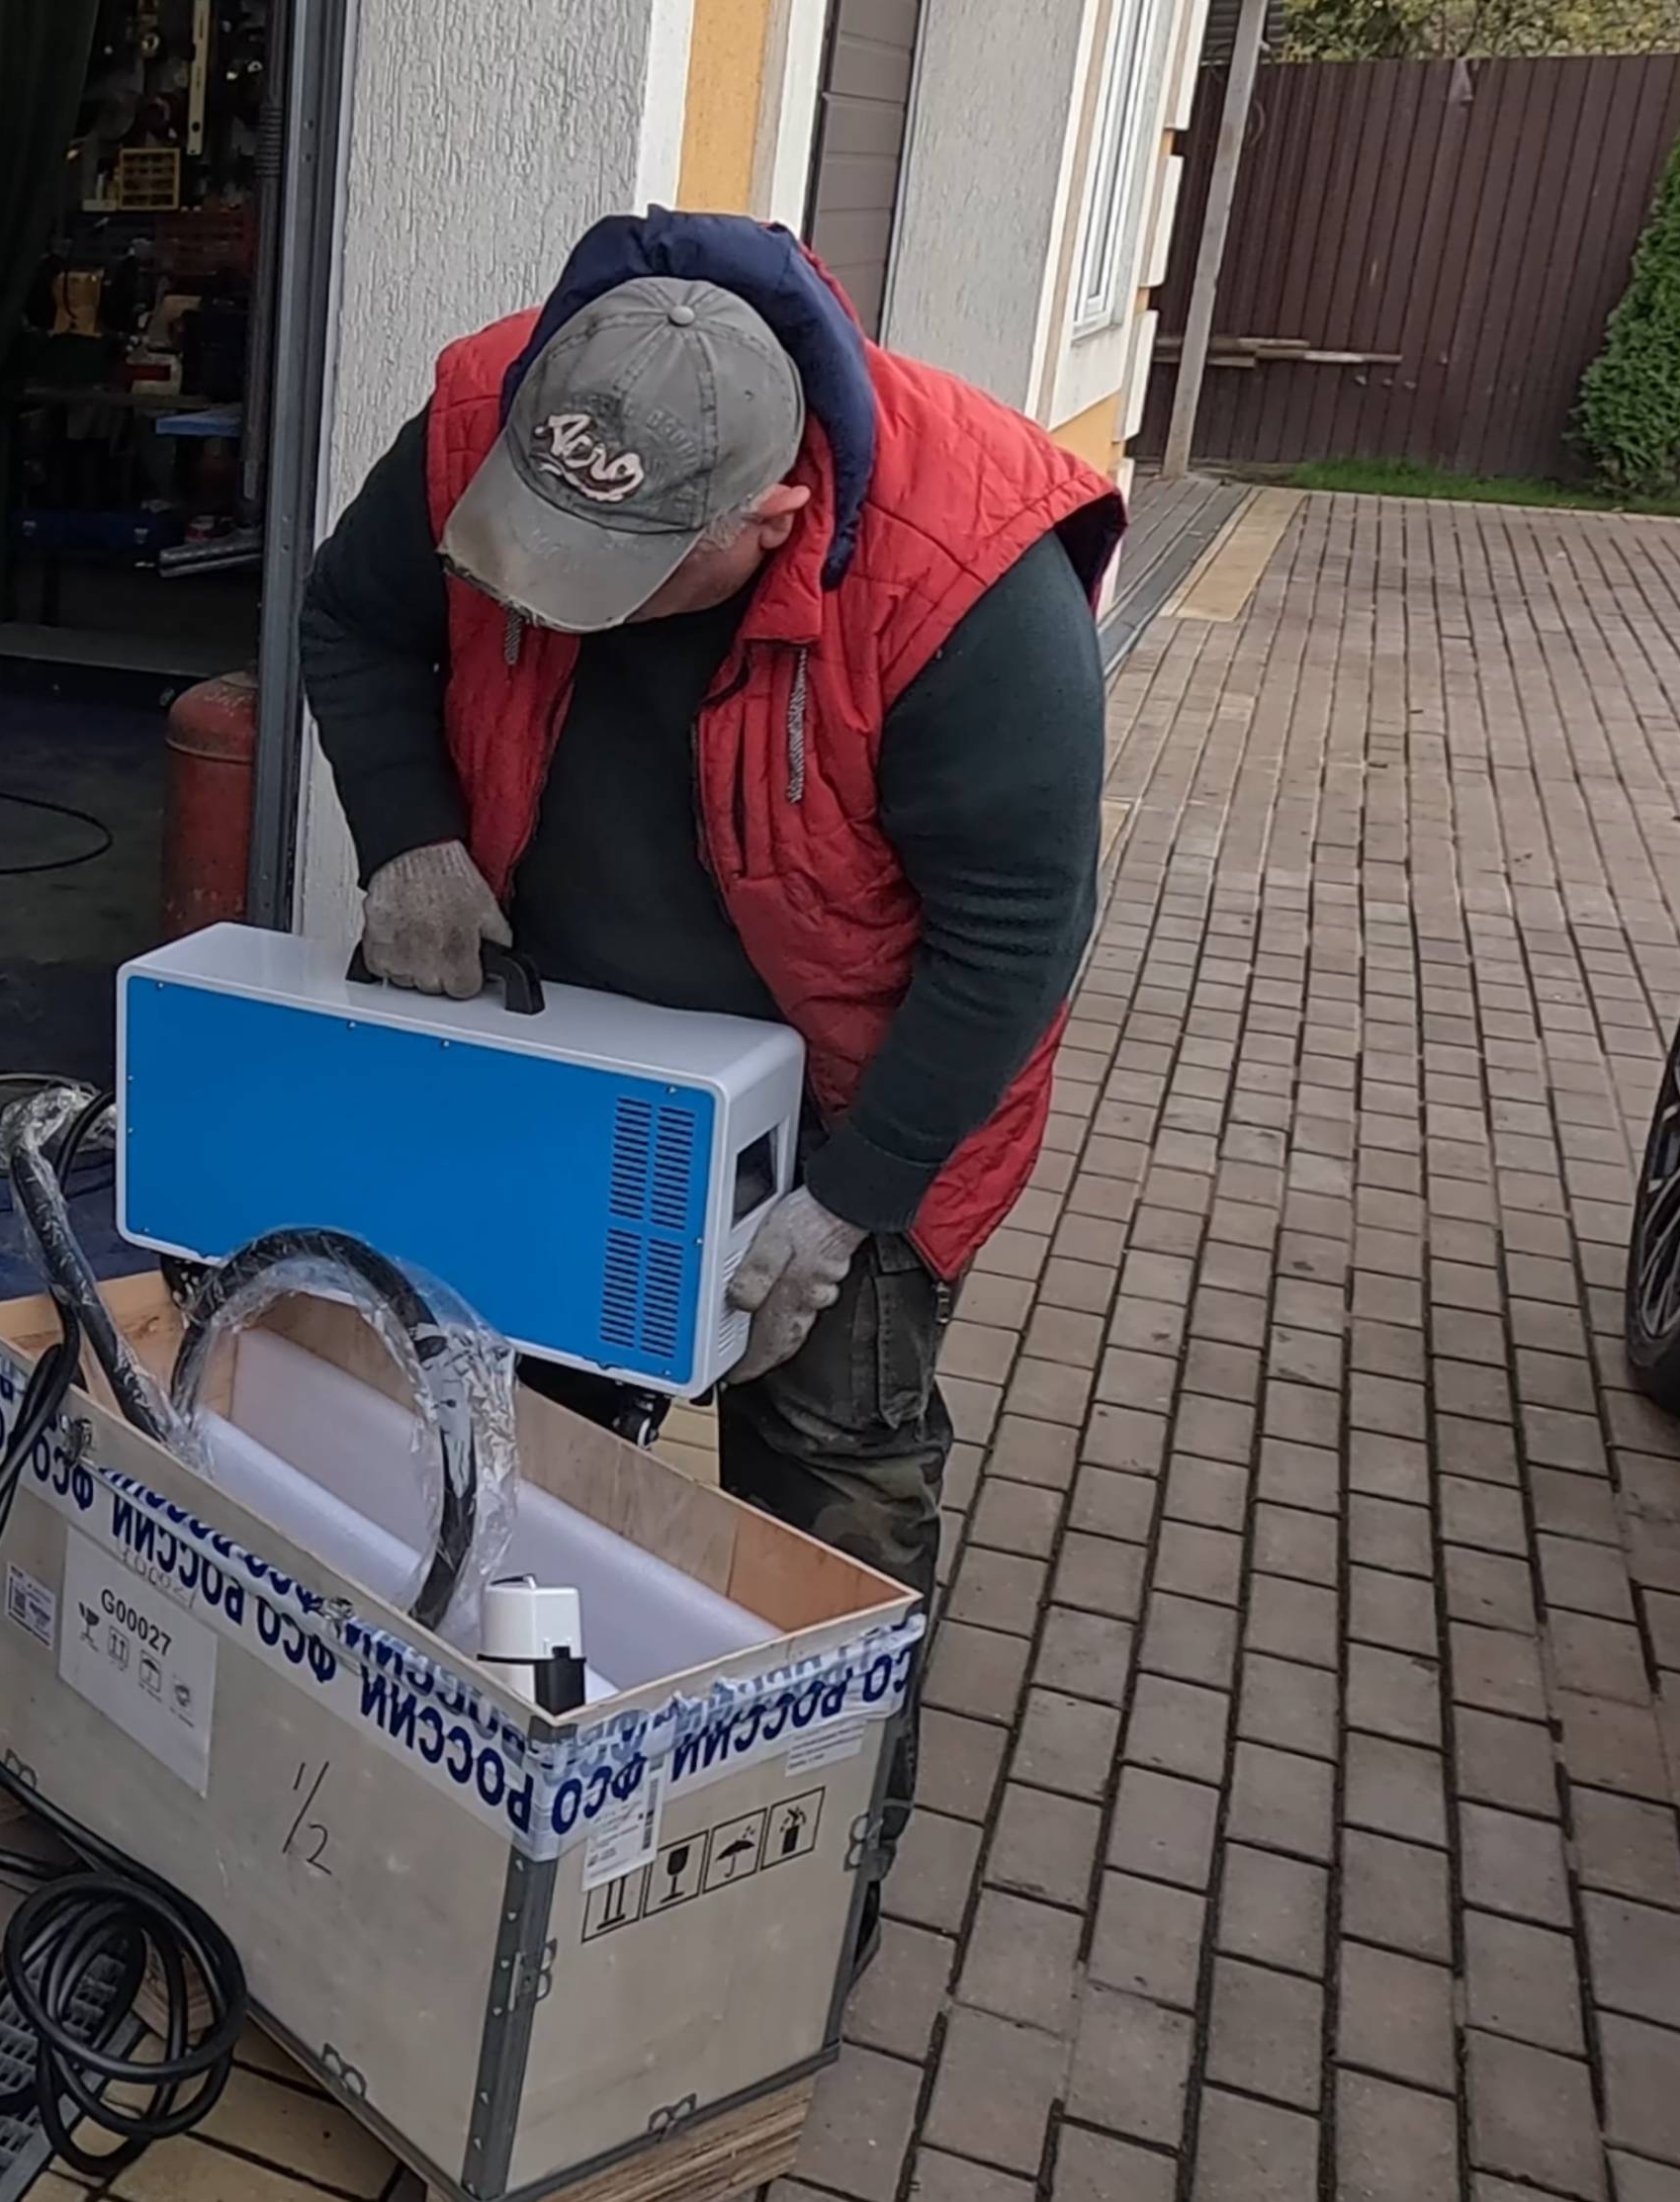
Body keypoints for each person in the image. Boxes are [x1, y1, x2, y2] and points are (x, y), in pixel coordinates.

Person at [299, 210, 1122, 1873]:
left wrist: (855, 1201)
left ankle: (795, 1873)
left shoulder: (969, 581)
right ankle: (529, 1781)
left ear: (775, 513)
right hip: (563, 1058)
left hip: (853, 1096)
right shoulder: (495, 407)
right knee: (518, 1437)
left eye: (619, 573)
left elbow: (1017, 939)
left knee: (820, 1474)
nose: (558, 601)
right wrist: (407, 837)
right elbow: (353, 620)